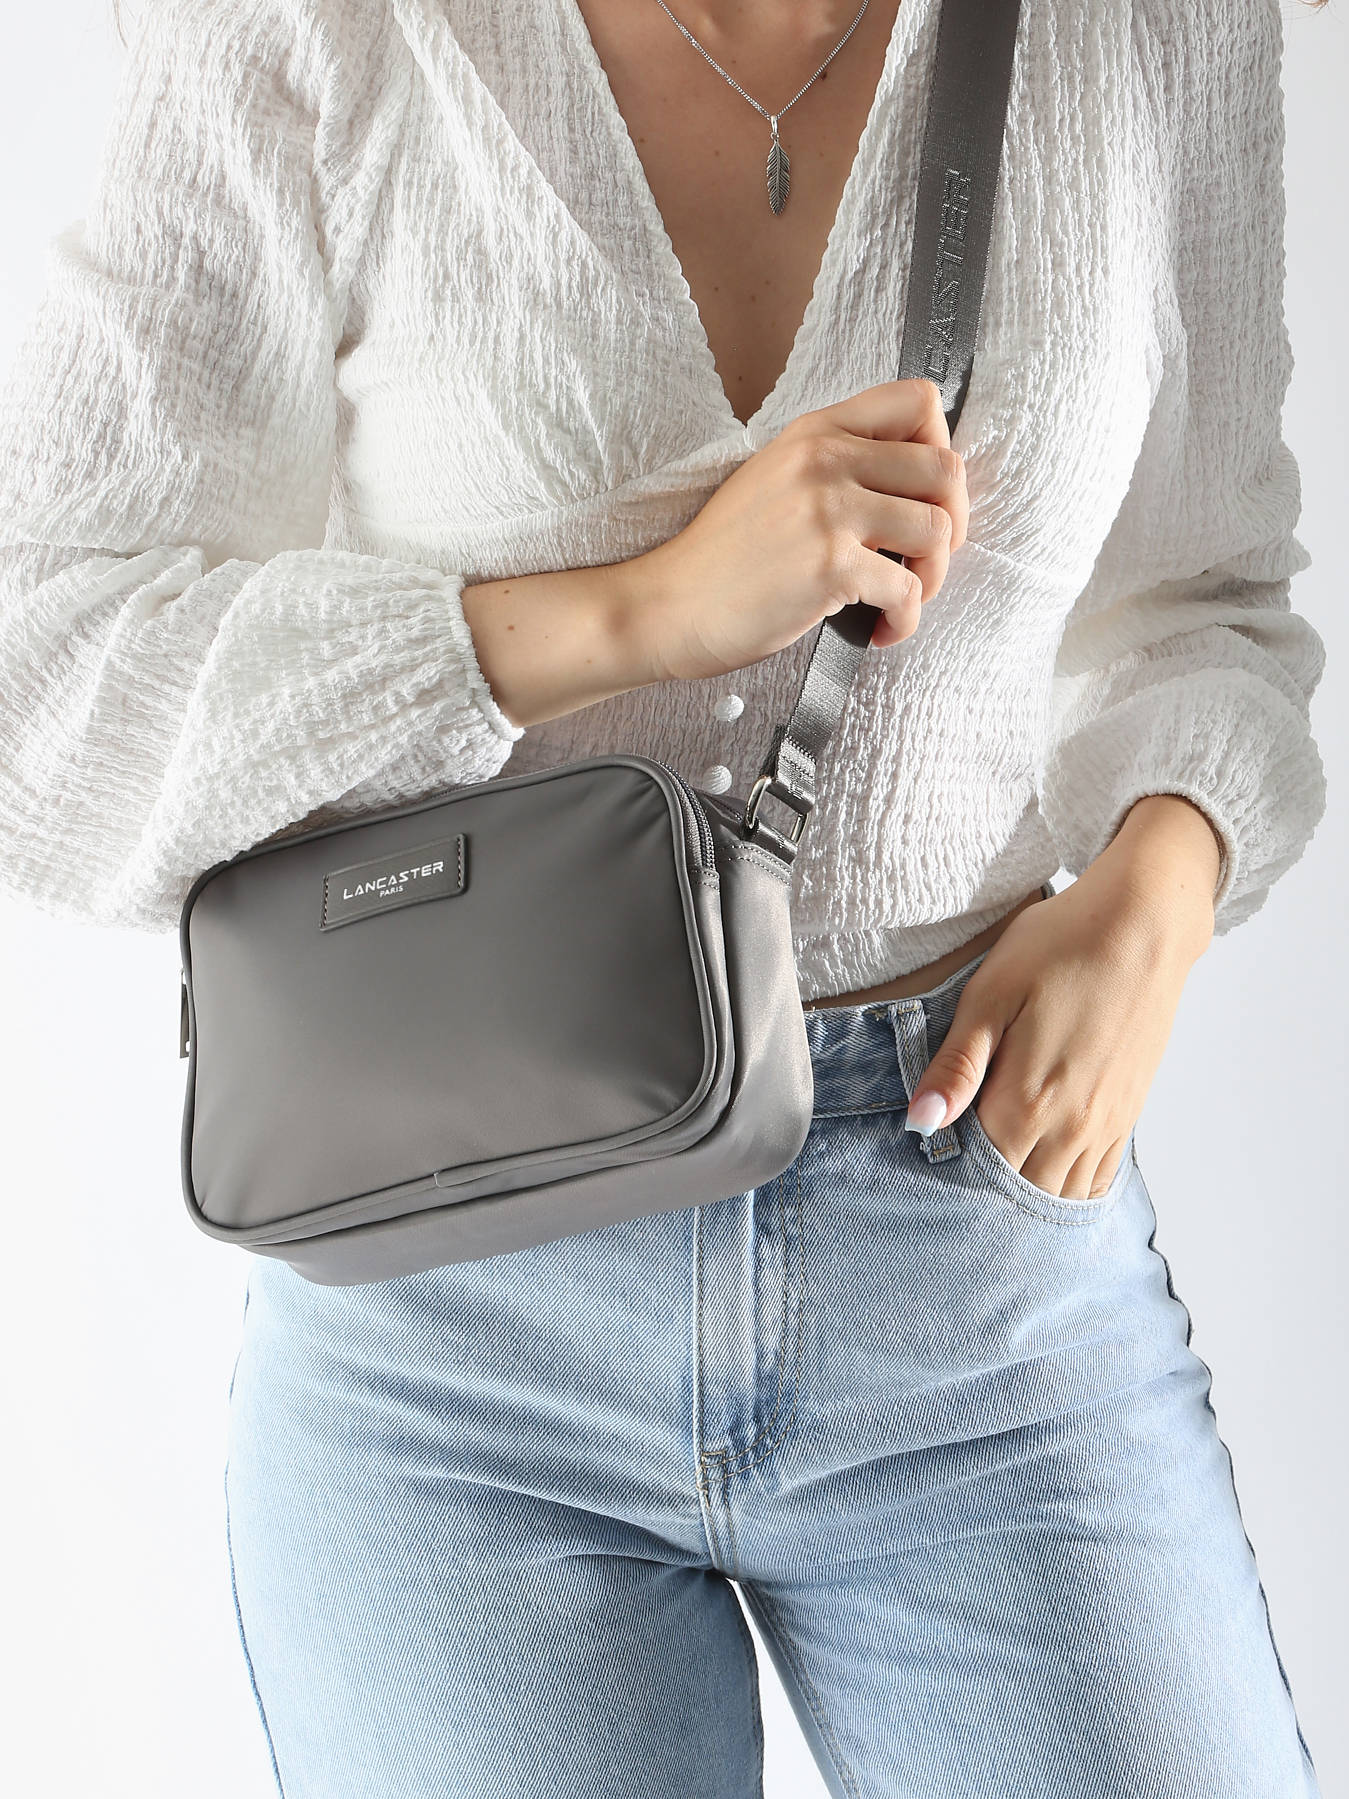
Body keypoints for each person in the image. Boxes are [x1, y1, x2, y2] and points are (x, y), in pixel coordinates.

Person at [0, 0, 1329, 1793]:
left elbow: (1206, 595)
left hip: (975, 1227)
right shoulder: (316, 26)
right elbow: (44, 673)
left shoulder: (1150, 26)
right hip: (451, 1314)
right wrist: (641, 609)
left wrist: (1159, 889)